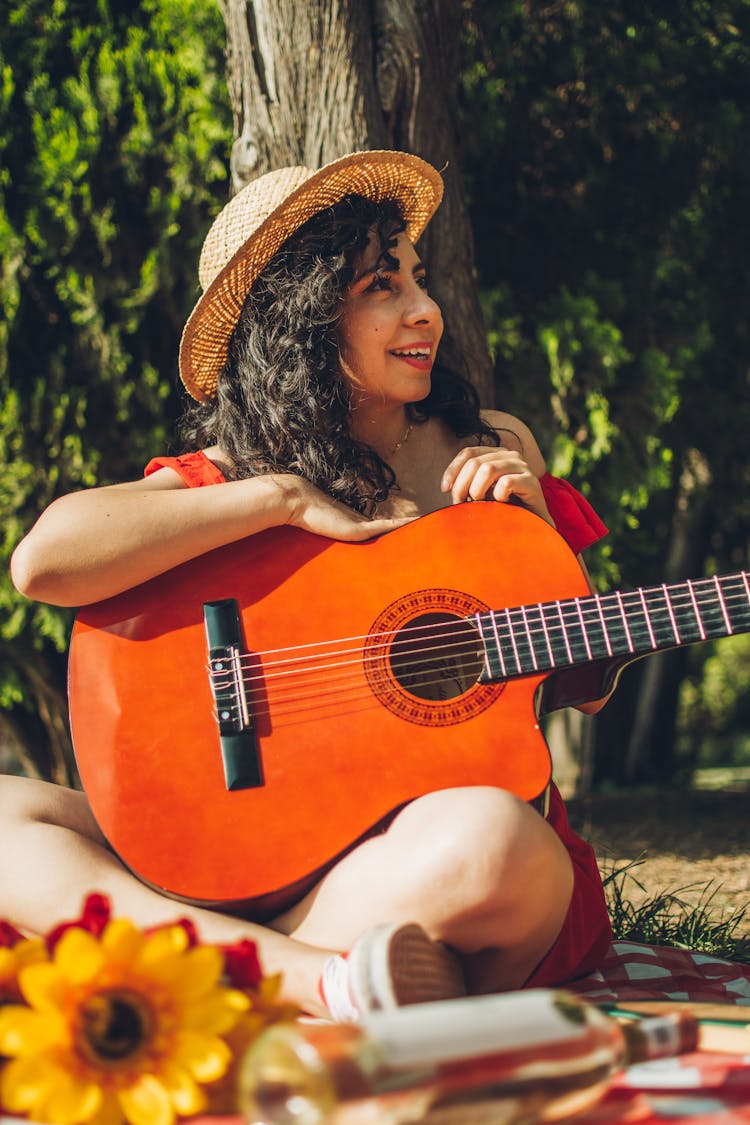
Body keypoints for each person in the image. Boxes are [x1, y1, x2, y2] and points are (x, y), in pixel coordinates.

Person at [5, 150, 613, 1021]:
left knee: (501, 845)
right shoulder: (237, 476)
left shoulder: (490, 442)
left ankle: (224, 962)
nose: (426, 310)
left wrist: (536, 531)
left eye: (420, 279)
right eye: (381, 286)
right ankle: (317, 981)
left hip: (398, 868)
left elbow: (583, 691)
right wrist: (283, 497)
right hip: (216, 855)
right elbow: (44, 561)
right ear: (299, 317)